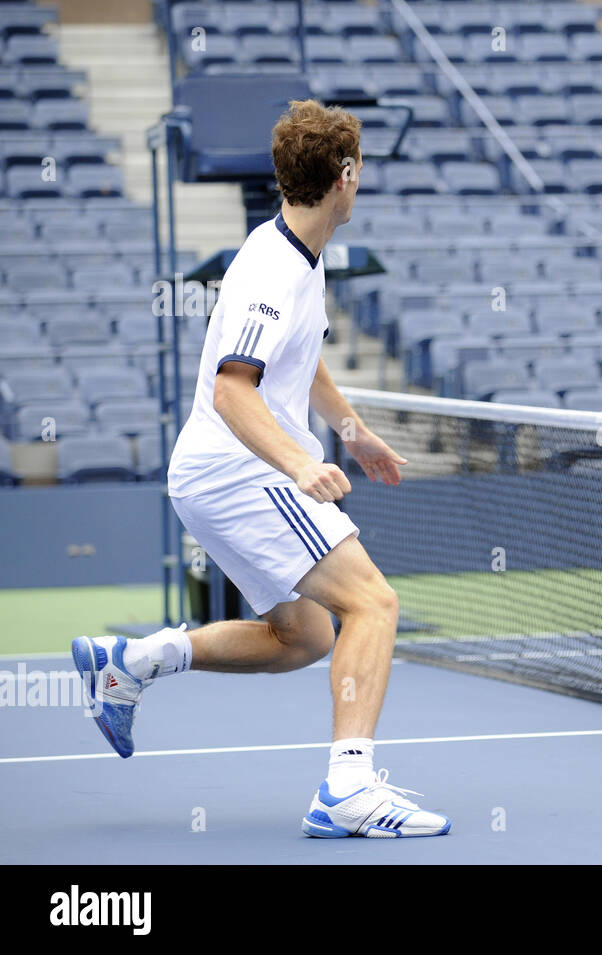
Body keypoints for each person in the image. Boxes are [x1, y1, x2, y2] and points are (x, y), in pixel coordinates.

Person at [72, 100, 449, 838]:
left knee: (304, 637)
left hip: (220, 473)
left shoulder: (296, 258)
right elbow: (231, 385)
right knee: (373, 602)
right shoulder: (273, 270)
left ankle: (133, 661)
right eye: (359, 167)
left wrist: (354, 431)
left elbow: (301, 366)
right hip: (241, 471)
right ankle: (349, 786)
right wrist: (301, 461)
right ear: (345, 177)